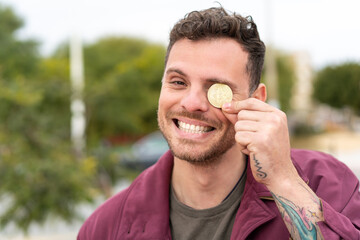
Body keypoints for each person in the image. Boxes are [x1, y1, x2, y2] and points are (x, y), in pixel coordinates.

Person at [78, 6, 360, 240]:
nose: (191, 103)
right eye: (178, 82)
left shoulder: (328, 185)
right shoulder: (104, 228)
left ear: (257, 101)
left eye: (216, 88)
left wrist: (283, 180)